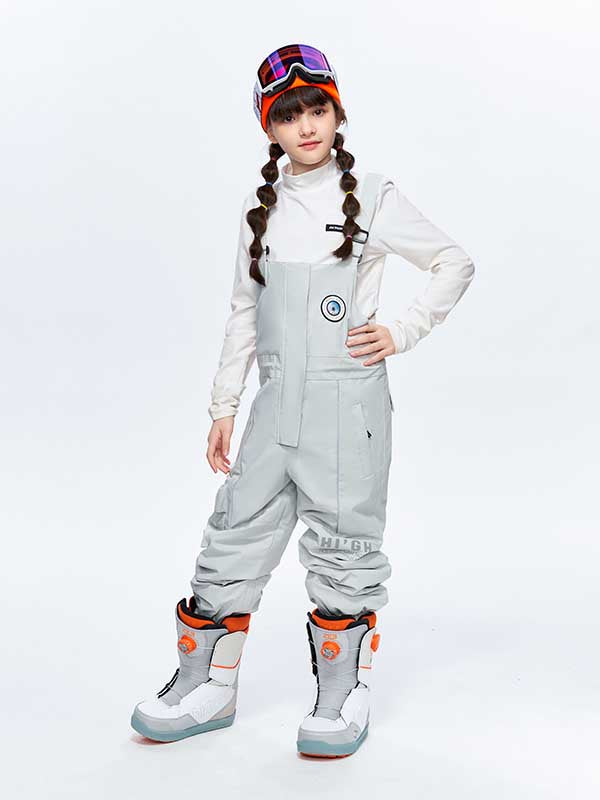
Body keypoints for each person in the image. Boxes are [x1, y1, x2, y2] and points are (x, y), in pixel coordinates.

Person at [130, 43, 475, 757]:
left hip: (348, 407)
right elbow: (242, 311)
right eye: (289, 116)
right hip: (274, 402)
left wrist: (402, 331)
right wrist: (224, 406)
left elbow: (453, 262)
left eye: (318, 109)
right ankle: (208, 685)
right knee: (233, 532)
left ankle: (342, 692)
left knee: (344, 544)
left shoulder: (372, 197)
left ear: (337, 113)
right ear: (270, 128)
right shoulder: (260, 212)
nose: (307, 126)